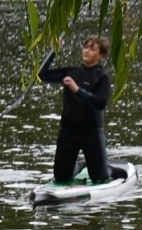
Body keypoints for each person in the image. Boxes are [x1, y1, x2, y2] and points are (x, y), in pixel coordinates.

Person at [38, 35, 113, 184]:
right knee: (61, 178)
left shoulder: (102, 77)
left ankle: (107, 168)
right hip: (68, 132)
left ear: (101, 55)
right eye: (85, 47)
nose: (86, 51)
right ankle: (80, 166)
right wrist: (54, 51)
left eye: (92, 49)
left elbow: (101, 103)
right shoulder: (71, 72)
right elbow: (42, 74)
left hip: (91, 132)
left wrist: (77, 89)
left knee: (99, 178)